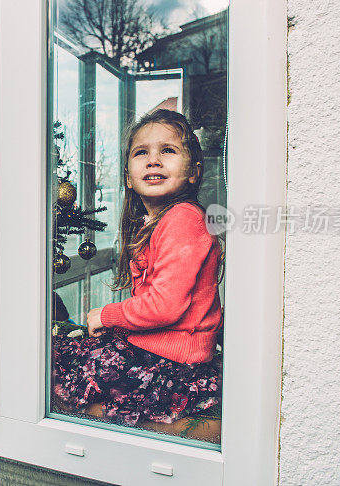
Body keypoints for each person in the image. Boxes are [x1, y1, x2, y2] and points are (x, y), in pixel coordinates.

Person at [52, 109, 223, 428]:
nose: (153, 160)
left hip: (170, 363)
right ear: (129, 178)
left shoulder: (183, 219)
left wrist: (107, 315)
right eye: (141, 152)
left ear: (194, 172)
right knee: (72, 351)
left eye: (168, 151)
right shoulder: (160, 223)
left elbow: (164, 306)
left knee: (57, 362)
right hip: (161, 353)